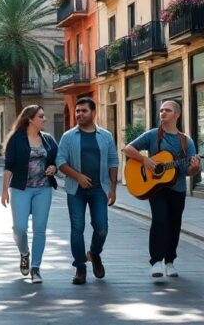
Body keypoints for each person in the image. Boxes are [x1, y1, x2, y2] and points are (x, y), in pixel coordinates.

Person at [123, 100, 200, 279]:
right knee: (159, 220)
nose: (163, 113)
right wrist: (145, 160)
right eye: (161, 110)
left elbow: (188, 170)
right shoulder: (152, 135)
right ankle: (156, 261)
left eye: (167, 110)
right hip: (156, 188)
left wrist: (194, 168)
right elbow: (127, 149)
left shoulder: (186, 141)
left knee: (174, 224)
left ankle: (170, 261)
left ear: (177, 115)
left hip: (178, 188)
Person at [56, 97, 119, 285]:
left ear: (93, 113)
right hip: (76, 190)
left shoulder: (106, 136)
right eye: (77, 111)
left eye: (83, 111)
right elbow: (60, 162)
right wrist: (78, 177)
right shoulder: (68, 136)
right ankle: (80, 268)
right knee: (77, 228)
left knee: (101, 228)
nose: (79, 114)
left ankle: (94, 253)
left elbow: (113, 162)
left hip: (100, 189)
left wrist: (113, 189)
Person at [0, 105, 58, 284]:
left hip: (43, 189)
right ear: (30, 119)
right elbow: (9, 166)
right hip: (21, 189)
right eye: (41, 116)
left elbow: (57, 159)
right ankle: (24, 253)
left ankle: (35, 268)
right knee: (20, 228)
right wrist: (4, 191)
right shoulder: (16, 139)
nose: (44, 119)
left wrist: (53, 168)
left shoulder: (47, 139)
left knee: (40, 229)